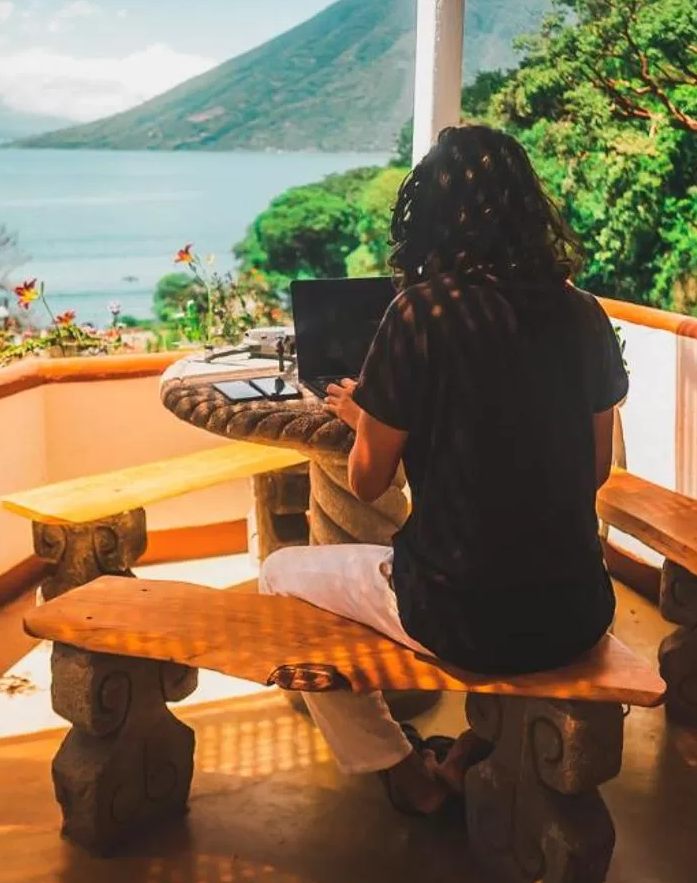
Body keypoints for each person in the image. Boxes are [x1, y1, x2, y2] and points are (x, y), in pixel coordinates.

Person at [258, 124, 627, 816]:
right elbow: (597, 467)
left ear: (427, 215)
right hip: (578, 607)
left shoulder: (421, 314)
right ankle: (472, 750)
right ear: (528, 207)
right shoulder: (583, 313)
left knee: (280, 575)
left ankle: (402, 769)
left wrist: (362, 416)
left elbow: (368, 482)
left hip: (462, 615)